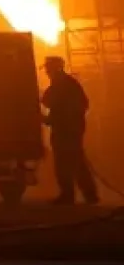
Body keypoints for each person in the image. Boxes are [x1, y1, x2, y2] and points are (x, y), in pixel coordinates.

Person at [41, 56, 99, 206]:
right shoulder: (67, 83)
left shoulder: (62, 84)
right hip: (70, 129)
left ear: (56, 68)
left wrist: (63, 119)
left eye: (48, 68)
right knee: (76, 161)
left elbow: (47, 100)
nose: (47, 71)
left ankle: (69, 195)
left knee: (64, 162)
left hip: (66, 131)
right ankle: (89, 194)